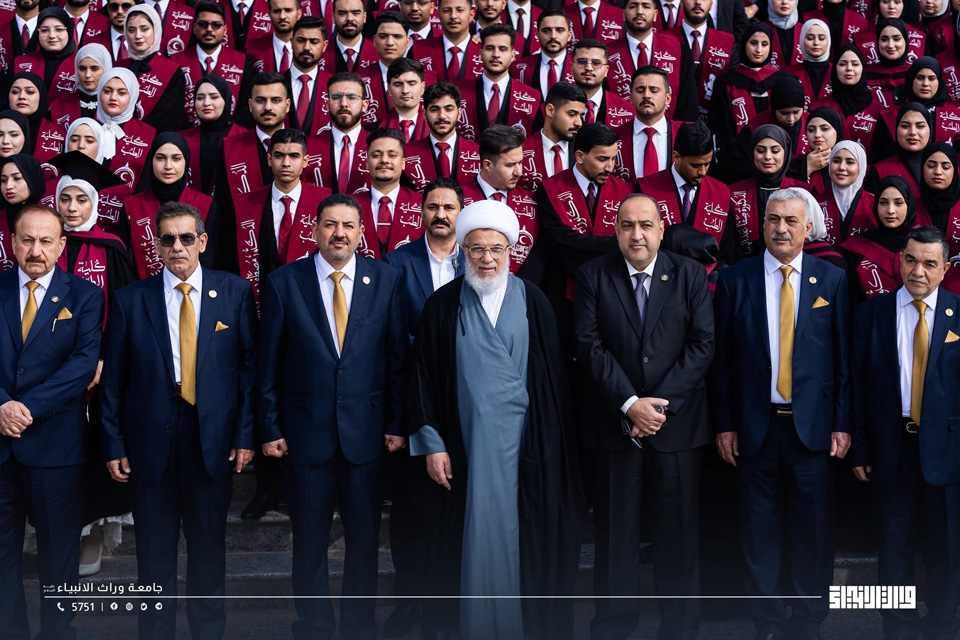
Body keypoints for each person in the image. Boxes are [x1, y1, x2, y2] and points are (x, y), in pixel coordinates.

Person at [407, 199, 582, 640]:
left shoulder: (534, 302)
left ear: (510, 251)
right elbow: (422, 378)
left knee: (523, 539)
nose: (487, 258)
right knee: (465, 537)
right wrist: (432, 444)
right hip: (462, 447)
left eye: (496, 249)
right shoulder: (442, 305)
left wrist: (550, 446)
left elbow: (554, 385)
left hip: (526, 448)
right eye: (477, 249)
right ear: (464, 251)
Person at [100, 201, 257, 640]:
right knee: (153, 558)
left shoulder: (235, 292)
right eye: (168, 239)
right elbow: (113, 381)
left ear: (202, 241)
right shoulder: (130, 300)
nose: (178, 247)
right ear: (156, 245)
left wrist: (246, 434)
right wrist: (113, 442)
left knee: (208, 554)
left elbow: (249, 371)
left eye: (187, 238)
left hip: (211, 439)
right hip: (150, 441)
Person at [258, 193, 407, 640]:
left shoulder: (387, 279)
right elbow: (268, 363)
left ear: (361, 233)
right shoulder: (285, 282)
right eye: (329, 224)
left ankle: (360, 627)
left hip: (367, 436)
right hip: (305, 435)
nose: (339, 233)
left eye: (347, 225)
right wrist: (270, 426)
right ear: (315, 230)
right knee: (308, 543)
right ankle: (313, 628)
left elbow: (397, 360)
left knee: (364, 543)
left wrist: (397, 423)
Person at [712, 187, 851, 640]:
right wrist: (725, 423)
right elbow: (722, 362)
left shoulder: (831, 279)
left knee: (813, 534)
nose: (781, 228)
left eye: (791, 221)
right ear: (762, 224)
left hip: (813, 430)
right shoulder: (736, 279)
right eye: (773, 219)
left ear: (808, 227)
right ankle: (768, 624)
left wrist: (842, 423)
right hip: (756, 429)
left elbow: (843, 360)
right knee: (759, 535)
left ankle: (808, 623)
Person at [575, 192, 714, 640]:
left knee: (678, 538)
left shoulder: (689, 274)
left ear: (661, 228)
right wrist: (630, 404)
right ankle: (612, 628)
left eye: (646, 225)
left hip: (677, 430)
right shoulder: (593, 275)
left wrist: (657, 407)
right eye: (627, 225)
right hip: (615, 428)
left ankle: (680, 629)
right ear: (615, 230)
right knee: (615, 539)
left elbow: (702, 345)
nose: (637, 235)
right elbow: (588, 345)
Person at [850, 225, 959, 640]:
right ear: (900, 260)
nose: (918, 271)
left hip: (947, 452)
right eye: (911, 260)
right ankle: (898, 630)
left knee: (946, 550)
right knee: (893, 550)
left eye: (929, 264)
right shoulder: (871, 314)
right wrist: (861, 448)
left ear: (944, 269)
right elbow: (856, 387)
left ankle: (941, 627)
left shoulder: (958, 311)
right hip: (891, 447)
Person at [0, 204, 104, 640]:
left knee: (59, 555)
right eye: (27, 240)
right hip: (0, 442)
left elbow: (81, 367)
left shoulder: (85, 296)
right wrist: (1, 405)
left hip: (56, 445)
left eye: (46, 241)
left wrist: (21, 409)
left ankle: (58, 633)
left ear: (62, 246)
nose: (35, 250)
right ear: (12, 242)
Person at [380, 177, 465, 638]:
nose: (440, 214)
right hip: (413, 398)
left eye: (449, 207)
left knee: (457, 509)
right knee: (410, 514)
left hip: (465, 401)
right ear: (420, 212)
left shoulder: (477, 257)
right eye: (432, 206)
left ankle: (454, 604)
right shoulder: (398, 263)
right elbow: (392, 338)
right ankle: (409, 604)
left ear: (461, 212)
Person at [638, 120, 736, 270]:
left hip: (707, 279)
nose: (703, 172)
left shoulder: (721, 193)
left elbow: (727, 254)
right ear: (676, 157)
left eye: (707, 164)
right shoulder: (646, 189)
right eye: (695, 165)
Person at [125, 132, 219, 279]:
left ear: (186, 161)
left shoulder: (206, 205)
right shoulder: (132, 207)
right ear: (151, 161)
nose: (168, 166)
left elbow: (213, 260)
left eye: (176, 158)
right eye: (160, 158)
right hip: (144, 290)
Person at [728, 124, 812, 257]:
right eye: (761, 150)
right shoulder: (733, 193)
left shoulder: (805, 191)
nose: (767, 156)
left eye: (775, 151)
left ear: (786, 152)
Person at [171, 1, 257, 127]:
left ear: (225, 30)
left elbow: (246, 106)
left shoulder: (244, 63)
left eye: (216, 25)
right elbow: (173, 107)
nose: (209, 29)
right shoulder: (175, 63)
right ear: (194, 28)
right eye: (203, 24)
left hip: (230, 133)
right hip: (187, 133)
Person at [452, 24, 542, 139]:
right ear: (480, 54)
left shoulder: (532, 97)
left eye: (502, 49)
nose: (496, 55)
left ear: (512, 56)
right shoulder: (459, 92)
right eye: (490, 48)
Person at [841, 174, 919, 302]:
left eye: (898, 203)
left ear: (909, 205)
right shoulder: (856, 249)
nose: (890, 210)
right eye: (883, 203)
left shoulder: (921, 244)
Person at [352, 128, 423, 259]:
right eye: (376, 155)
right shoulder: (350, 205)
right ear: (366, 163)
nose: (384, 160)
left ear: (403, 163)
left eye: (392, 155)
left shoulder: (422, 205)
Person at [117, 4, 189, 132]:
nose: (138, 36)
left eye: (144, 29)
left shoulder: (172, 71)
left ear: (155, 30)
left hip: (156, 139)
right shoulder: (116, 67)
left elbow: (170, 118)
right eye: (131, 30)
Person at [402, 81, 481, 190]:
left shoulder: (478, 153)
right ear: (424, 114)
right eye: (434, 110)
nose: (442, 116)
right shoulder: (407, 154)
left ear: (459, 114)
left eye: (449, 109)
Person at [518, 81, 585, 193]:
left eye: (581, 116)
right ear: (550, 110)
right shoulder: (521, 150)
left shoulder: (584, 151)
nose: (579, 123)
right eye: (572, 114)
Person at [816, 140, 874, 244]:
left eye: (850, 162)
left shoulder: (874, 204)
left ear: (861, 167)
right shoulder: (816, 203)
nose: (841, 167)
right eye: (836, 161)